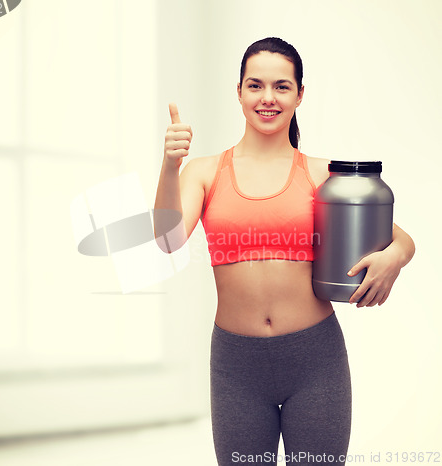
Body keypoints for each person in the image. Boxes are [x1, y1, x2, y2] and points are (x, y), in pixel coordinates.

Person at [153, 37, 415, 466]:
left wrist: (395, 258)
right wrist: (169, 166)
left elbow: (399, 237)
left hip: (316, 361)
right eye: (255, 86)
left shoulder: (319, 174)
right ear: (238, 92)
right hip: (236, 365)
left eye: (281, 86)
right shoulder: (204, 171)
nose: (267, 98)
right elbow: (167, 240)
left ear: (299, 94)